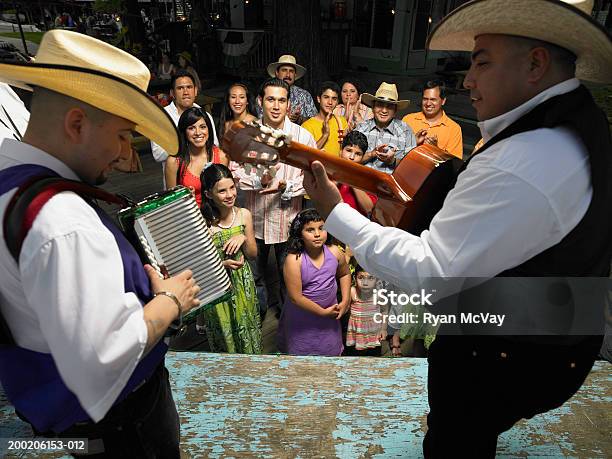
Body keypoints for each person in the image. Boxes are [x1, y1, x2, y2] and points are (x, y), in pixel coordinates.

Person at [302, 0, 612, 456]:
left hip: (505, 359)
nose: (467, 79)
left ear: (535, 63)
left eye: (481, 62)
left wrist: (334, 212)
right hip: (559, 337)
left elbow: (432, 272)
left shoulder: (523, 158)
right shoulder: (583, 122)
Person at [0, 30, 200, 456]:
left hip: (62, 416)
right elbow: (103, 358)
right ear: (77, 123)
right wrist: (171, 301)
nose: (128, 152)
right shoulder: (64, 222)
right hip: (120, 430)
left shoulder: (8, 177)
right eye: (123, 134)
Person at [233, 78, 315, 320]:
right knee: (255, 274)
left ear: (288, 104)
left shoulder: (303, 137)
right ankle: (256, 314)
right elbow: (235, 173)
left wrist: (285, 186)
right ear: (260, 102)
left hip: (288, 221)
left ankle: (287, 318)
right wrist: (260, 182)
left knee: (287, 273)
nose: (276, 106)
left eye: (282, 100)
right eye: (271, 99)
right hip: (254, 221)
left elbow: (311, 178)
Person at [199, 164, 262, 353]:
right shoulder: (203, 222)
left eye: (232, 188)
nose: (229, 195)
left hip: (242, 282)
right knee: (224, 332)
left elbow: (252, 254)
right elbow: (199, 266)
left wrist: (243, 237)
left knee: (246, 326)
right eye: (222, 191)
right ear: (209, 194)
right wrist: (222, 264)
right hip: (217, 286)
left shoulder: (244, 215)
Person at [277, 209, 351, 356]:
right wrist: (322, 312)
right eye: (310, 230)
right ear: (299, 234)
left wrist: (346, 299)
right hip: (302, 319)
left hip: (330, 317)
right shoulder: (294, 260)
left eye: (321, 228)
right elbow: (295, 297)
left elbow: (344, 273)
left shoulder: (335, 251)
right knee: (302, 353)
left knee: (329, 350)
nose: (317, 234)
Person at [151, 70, 218, 183]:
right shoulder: (162, 118)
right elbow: (158, 154)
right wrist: (187, 141)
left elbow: (214, 146)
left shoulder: (205, 116)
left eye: (189, 87)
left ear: (195, 90)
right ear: (172, 93)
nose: (186, 92)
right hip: (177, 184)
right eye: (180, 88)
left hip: (207, 182)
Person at [165, 107, 228, 205]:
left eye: (202, 127)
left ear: (209, 129)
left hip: (217, 216)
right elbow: (172, 203)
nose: (198, 133)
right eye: (191, 128)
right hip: (190, 217)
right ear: (184, 132)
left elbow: (227, 192)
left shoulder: (221, 156)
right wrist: (185, 200)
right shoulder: (174, 162)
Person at [355, 82, 416, 174]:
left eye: (390, 106)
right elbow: (349, 160)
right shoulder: (361, 128)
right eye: (380, 105)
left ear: (395, 110)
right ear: (373, 107)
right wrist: (370, 154)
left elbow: (411, 167)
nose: (384, 110)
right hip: (361, 184)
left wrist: (392, 161)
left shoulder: (405, 130)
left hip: (389, 186)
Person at [402, 80, 463, 159]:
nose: (428, 104)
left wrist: (435, 150)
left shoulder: (454, 129)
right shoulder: (408, 119)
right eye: (425, 99)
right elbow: (396, 153)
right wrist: (413, 143)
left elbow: (454, 164)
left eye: (433, 99)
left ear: (443, 101)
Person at [258, 55, 317, 125]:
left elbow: (315, 121)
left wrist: (299, 119)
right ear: (277, 73)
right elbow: (259, 119)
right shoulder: (266, 93)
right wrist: (283, 118)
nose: (288, 75)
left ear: (295, 74)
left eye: (291, 71)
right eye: (284, 70)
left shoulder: (305, 95)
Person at [301, 81, 348, 156]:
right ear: (319, 99)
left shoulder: (341, 121)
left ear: (337, 102)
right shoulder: (307, 126)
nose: (330, 102)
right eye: (326, 97)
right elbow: (306, 155)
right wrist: (325, 135)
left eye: (334, 99)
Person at [345, 267, 384, 356]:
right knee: (355, 358)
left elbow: (384, 311)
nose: (365, 283)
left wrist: (384, 329)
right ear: (355, 278)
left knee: (374, 357)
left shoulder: (379, 294)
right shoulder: (352, 291)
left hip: (374, 334)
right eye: (361, 277)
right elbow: (345, 307)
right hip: (357, 334)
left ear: (377, 279)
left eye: (370, 278)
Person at [337, 130, 377, 216]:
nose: (352, 157)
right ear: (341, 150)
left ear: (362, 157)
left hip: (355, 225)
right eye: (349, 150)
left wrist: (352, 180)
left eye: (358, 154)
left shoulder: (367, 178)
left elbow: (368, 209)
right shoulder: (329, 170)